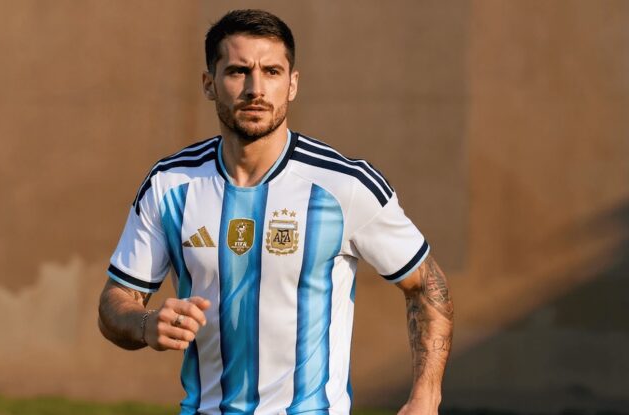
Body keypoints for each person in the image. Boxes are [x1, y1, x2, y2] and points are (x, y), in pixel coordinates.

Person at [98, 9, 454, 415]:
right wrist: (145, 324)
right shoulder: (170, 184)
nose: (256, 89)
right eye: (238, 71)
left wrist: (426, 397)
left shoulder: (344, 184)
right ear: (209, 84)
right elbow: (115, 302)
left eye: (271, 72)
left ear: (292, 84)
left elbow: (427, 286)